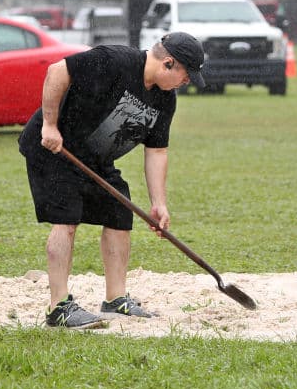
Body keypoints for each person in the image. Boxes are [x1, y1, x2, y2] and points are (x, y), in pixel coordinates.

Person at [19, 31, 205, 328]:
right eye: (186, 75)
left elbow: (157, 151)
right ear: (168, 63)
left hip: (94, 158)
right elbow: (57, 71)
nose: (187, 82)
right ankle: (59, 307)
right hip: (55, 149)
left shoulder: (164, 99)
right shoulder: (114, 61)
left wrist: (159, 204)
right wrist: (51, 125)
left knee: (120, 213)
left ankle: (116, 300)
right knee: (66, 218)